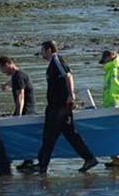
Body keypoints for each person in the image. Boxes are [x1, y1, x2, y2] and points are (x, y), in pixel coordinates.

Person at [28, 41, 98, 174]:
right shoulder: (53, 62)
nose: (41, 53)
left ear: (48, 50)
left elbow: (68, 75)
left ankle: (42, 165)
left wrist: (71, 94)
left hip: (58, 105)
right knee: (70, 134)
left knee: (49, 135)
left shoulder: (56, 61)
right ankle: (89, 158)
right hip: (60, 106)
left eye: (42, 50)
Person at [0, 56, 36, 171]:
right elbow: (15, 81)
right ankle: (27, 160)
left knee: (22, 135)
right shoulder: (19, 75)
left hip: (26, 110)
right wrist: (7, 84)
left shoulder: (18, 76)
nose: (3, 72)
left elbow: (21, 95)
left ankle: (26, 161)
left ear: (8, 64)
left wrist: (18, 115)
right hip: (27, 109)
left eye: (2, 69)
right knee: (24, 136)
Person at [98, 50, 119, 168]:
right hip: (110, 106)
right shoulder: (110, 68)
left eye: (104, 61)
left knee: (113, 132)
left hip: (114, 106)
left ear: (107, 58)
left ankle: (117, 159)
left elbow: (114, 89)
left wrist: (112, 106)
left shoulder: (114, 68)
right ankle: (115, 159)